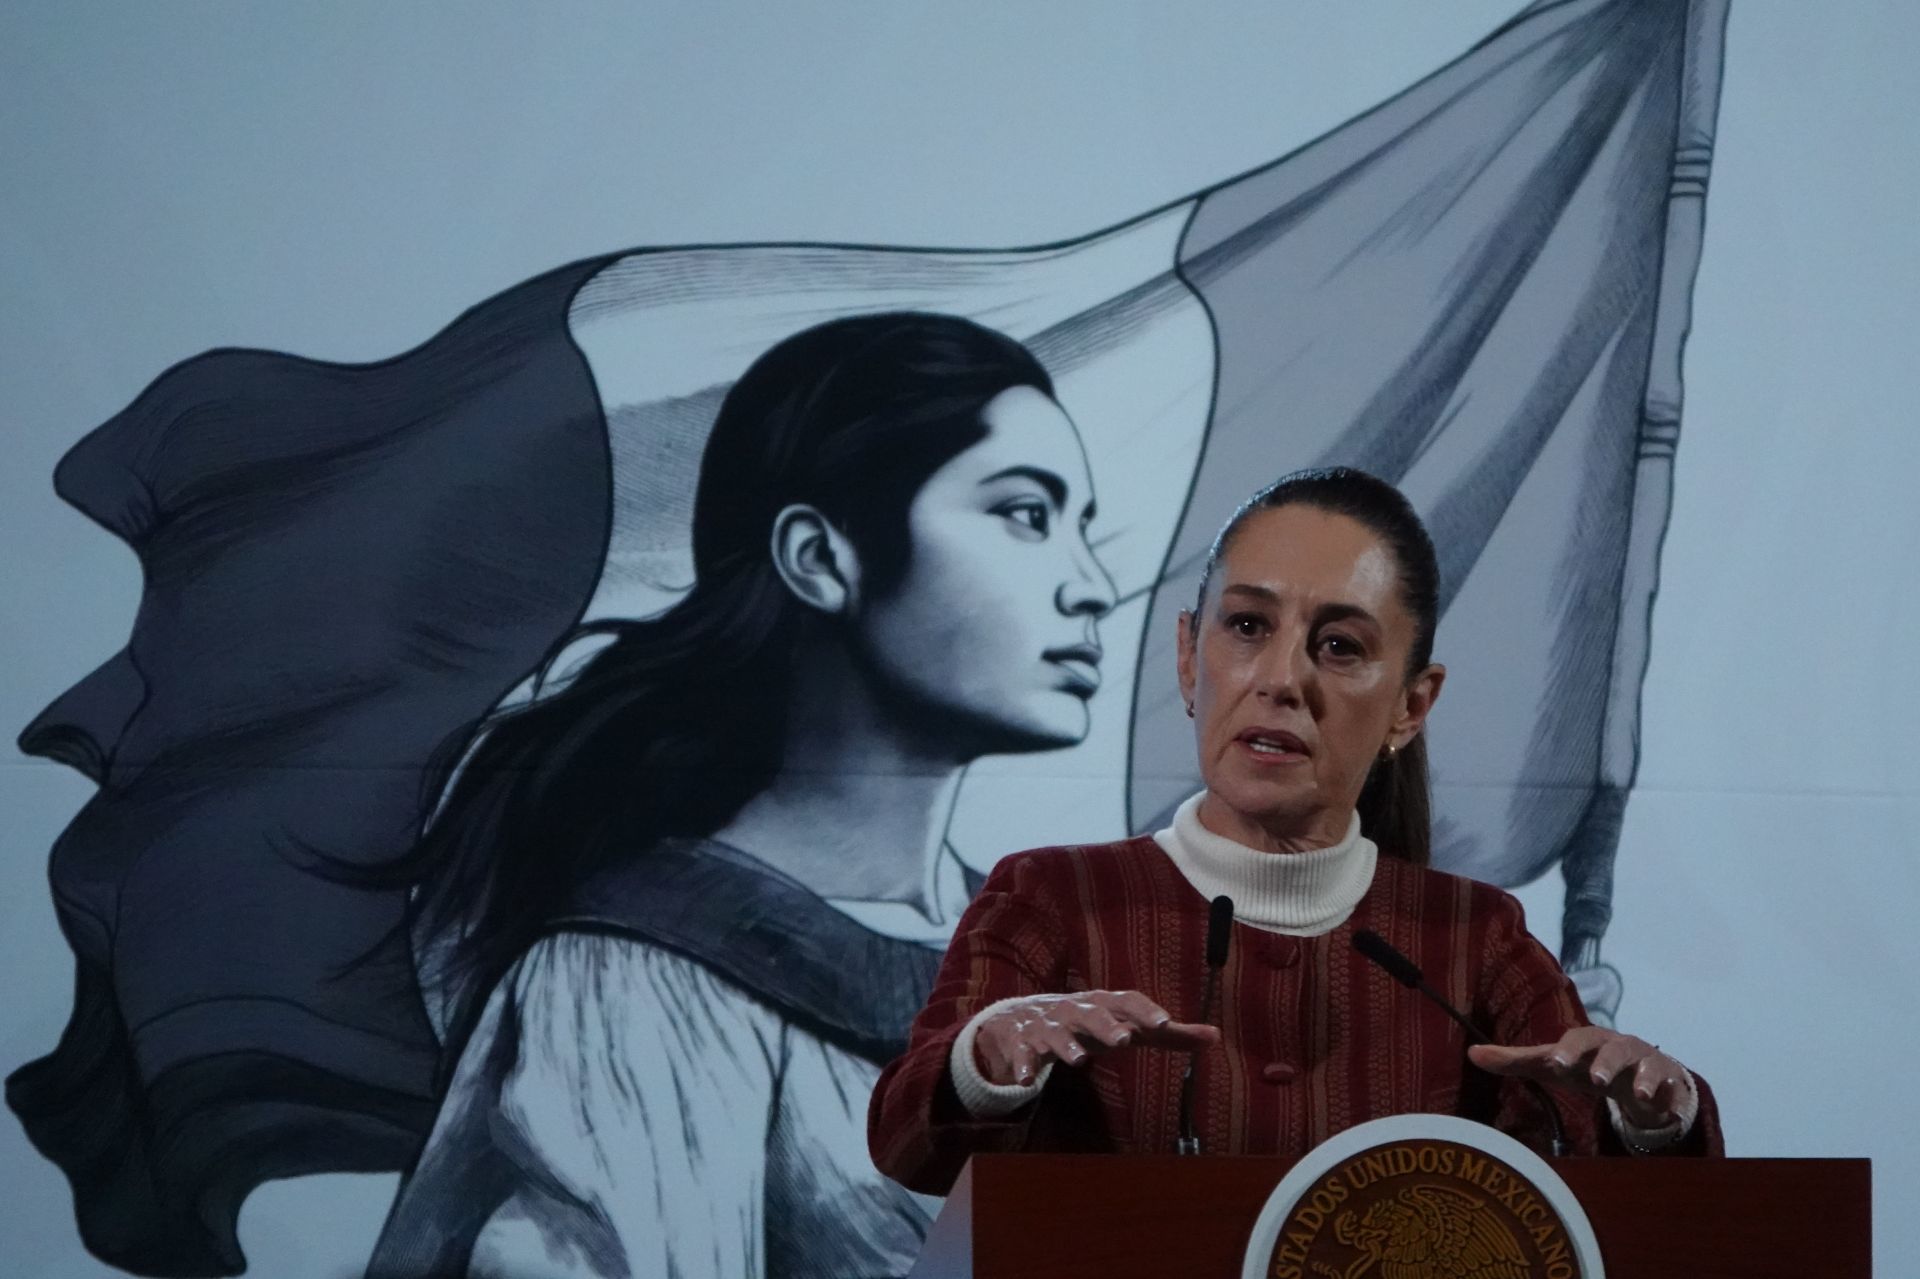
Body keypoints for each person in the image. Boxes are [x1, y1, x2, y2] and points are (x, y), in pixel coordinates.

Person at [365, 312, 1117, 1277]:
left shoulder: (1052, 955)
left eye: (1084, 527)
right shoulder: (633, 982)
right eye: (1025, 513)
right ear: (818, 557)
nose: (1092, 585)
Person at [868, 467, 1723, 1193]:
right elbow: (907, 1143)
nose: (1280, 679)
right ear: (1186, 657)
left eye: (1340, 647)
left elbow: (1601, 1189)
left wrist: (1652, 1119)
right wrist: (985, 1063)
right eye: (1246, 627)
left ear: (1410, 705)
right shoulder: (1054, 899)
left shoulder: (1474, 940)